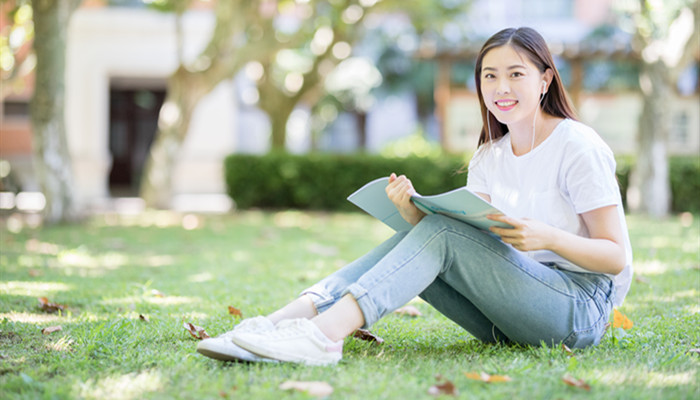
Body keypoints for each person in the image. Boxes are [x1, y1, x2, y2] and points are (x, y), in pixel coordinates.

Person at [196, 27, 633, 366]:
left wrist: (550, 238)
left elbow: (615, 256)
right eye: (490, 76)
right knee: (428, 233)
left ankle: (322, 337)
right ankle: (275, 326)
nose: (501, 87)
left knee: (441, 234)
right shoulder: (489, 155)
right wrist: (409, 211)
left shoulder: (577, 145)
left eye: (516, 74)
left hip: (578, 310)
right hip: (508, 315)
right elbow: (460, 243)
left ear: (544, 81)